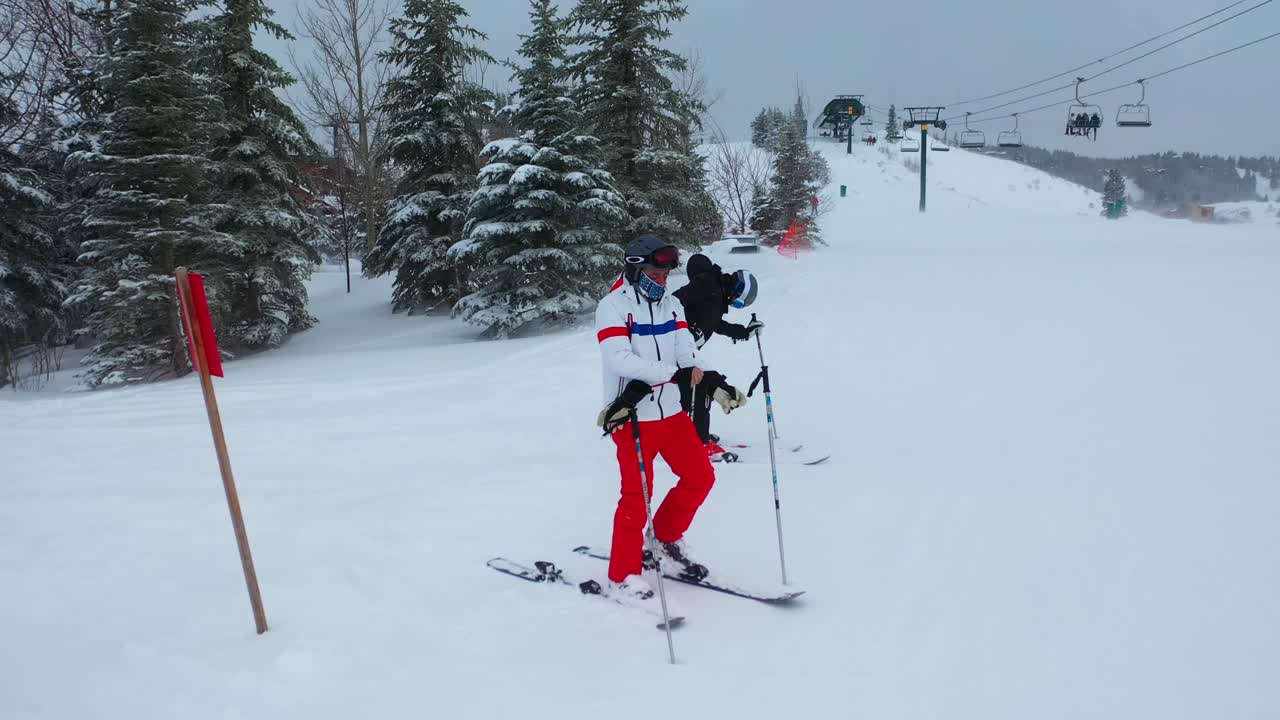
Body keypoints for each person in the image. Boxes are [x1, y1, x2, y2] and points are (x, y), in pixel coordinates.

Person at [593, 235, 747, 597]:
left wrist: (715, 384)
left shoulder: (671, 306)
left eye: (665, 277)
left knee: (700, 477)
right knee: (635, 497)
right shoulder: (613, 307)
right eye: (654, 275)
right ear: (635, 270)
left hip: (672, 413)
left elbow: (686, 351)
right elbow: (619, 358)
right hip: (632, 416)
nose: (661, 282)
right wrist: (670, 373)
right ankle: (624, 575)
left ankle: (662, 539)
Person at [672, 253, 762, 459]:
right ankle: (698, 443)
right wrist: (682, 332)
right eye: (739, 303)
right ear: (737, 290)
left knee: (691, 393)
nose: (735, 305)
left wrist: (744, 332)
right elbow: (674, 301)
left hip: (684, 351)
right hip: (677, 350)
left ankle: (691, 434)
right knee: (701, 389)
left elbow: (715, 324)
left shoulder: (714, 294)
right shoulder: (708, 285)